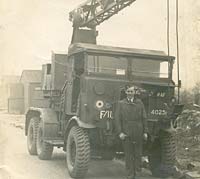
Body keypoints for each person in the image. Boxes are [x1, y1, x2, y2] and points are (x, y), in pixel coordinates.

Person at [115, 86, 148, 179]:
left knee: (138, 155)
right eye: (128, 91)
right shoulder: (121, 103)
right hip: (126, 132)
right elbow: (117, 119)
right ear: (126, 92)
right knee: (128, 155)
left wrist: (145, 132)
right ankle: (129, 175)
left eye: (131, 91)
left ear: (134, 92)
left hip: (138, 132)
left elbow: (144, 118)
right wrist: (120, 132)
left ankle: (137, 175)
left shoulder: (139, 103)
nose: (130, 93)